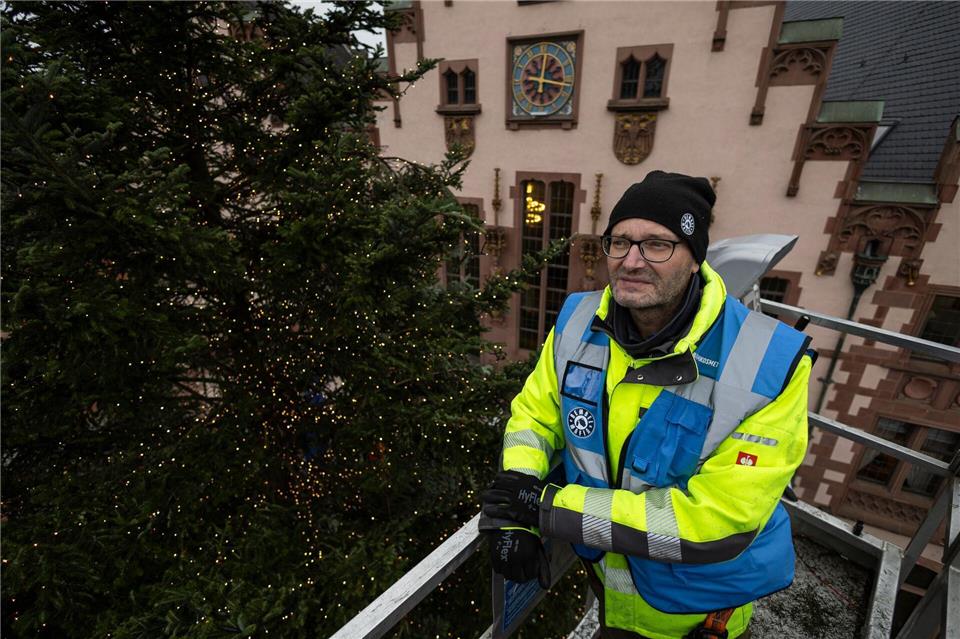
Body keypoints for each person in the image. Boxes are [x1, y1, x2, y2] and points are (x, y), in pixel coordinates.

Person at [481, 171, 812, 639]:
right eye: (620, 242)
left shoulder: (769, 363)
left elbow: (715, 520)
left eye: (657, 245)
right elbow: (535, 418)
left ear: (695, 259)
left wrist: (547, 507)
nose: (632, 261)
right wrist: (517, 513)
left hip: (696, 615)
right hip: (610, 594)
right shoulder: (578, 318)